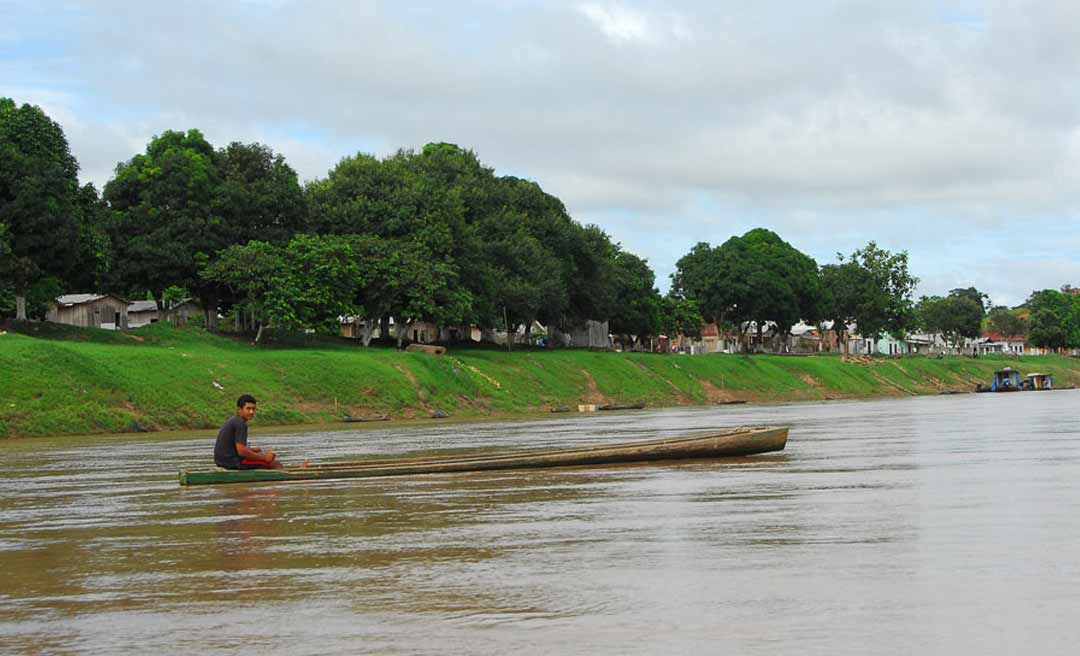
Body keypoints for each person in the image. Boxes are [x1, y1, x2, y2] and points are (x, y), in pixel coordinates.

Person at [214, 394, 283, 469]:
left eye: (253, 409)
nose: (251, 412)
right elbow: (241, 451)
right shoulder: (240, 423)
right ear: (239, 409)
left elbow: (235, 449)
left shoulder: (234, 420)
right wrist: (264, 457)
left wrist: (251, 451)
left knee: (259, 456)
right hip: (233, 462)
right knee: (275, 464)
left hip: (223, 461)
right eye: (248, 408)